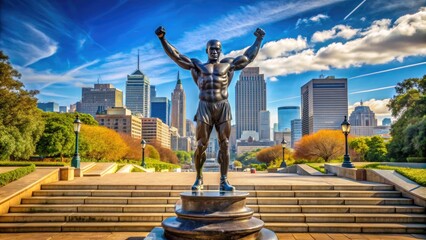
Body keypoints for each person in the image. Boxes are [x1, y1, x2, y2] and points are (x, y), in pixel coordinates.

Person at [155, 26, 265, 191]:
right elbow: (176, 56)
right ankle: (199, 178)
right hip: (204, 106)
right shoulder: (198, 65)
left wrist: (259, 39)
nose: (214, 52)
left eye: (217, 49)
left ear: (220, 51)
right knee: (201, 145)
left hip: (223, 107)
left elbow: (248, 57)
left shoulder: (229, 64)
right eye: (212, 49)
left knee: (225, 144)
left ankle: (224, 180)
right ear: (206, 50)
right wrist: (163, 39)